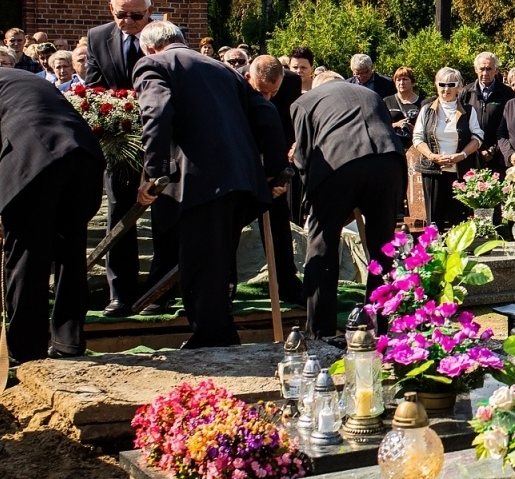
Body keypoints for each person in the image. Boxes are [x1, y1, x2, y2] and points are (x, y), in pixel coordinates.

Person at [134, 21, 286, 349]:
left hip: (201, 179)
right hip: (241, 178)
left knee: (199, 262)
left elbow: (157, 112)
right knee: (218, 259)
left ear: (148, 47)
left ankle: (212, 336)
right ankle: (219, 332)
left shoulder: (153, 64)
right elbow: (266, 113)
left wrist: (154, 173)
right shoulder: (224, 69)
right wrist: (274, 171)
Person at [0, 67, 104, 362]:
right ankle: (69, 342)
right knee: (70, 254)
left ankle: (24, 351)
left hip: (34, 163)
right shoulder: (22, 79)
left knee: (26, 258)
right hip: (85, 157)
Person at [85, 0, 175, 317]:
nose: (128, 22)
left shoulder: (166, 37)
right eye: (121, 15)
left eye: (137, 16)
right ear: (111, 9)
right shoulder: (97, 38)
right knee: (119, 214)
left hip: (163, 139)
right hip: (120, 141)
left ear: (150, 11)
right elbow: (94, 89)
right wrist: (118, 115)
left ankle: (159, 292)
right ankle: (120, 293)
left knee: (165, 214)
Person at [291, 75, 404, 342]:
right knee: (382, 249)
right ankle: (379, 327)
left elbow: (302, 157)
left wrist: (313, 201)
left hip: (338, 161)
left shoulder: (304, 101)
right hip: (389, 161)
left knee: (323, 244)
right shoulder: (371, 94)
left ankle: (320, 332)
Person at [246, 55, 305, 305]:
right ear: (249, 78)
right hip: (244, 159)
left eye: (274, 92)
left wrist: (279, 174)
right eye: (262, 92)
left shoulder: (291, 83)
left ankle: (287, 283)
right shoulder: (234, 85)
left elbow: (290, 124)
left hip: (277, 158)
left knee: (278, 223)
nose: (268, 98)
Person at [412, 67, 482, 229]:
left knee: (459, 220)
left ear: (459, 87)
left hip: (460, 172)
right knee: (434, 220)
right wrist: (432, 156)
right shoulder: (426, 109)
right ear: (436, 85)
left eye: (451, 84)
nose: (446, 89)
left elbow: (478, 137)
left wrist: (462, 155)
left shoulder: (469, 110)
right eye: (442, 84)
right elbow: (417, 138)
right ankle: (434, 245)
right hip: (433, 171)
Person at [460, 52, 510, 174]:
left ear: (496, 70)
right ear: (475, 69)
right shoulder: (466, 93)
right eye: (482, 69)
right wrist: (478, 148)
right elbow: (461, 125)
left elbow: (509, 126)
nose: (485, 73)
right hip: (471, 155)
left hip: (498, 156)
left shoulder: (507, 93)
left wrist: (493, 150)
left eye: (489, 69)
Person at [385, 67, 424, 151]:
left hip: (415, 148)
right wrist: (396, 125)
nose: (401, 83)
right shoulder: (386, 101)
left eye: (405, 79)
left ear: (412, 82)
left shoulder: (423, 103)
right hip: (393, 147)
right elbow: (380, 125)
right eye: (398, 80)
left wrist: (415, 130)